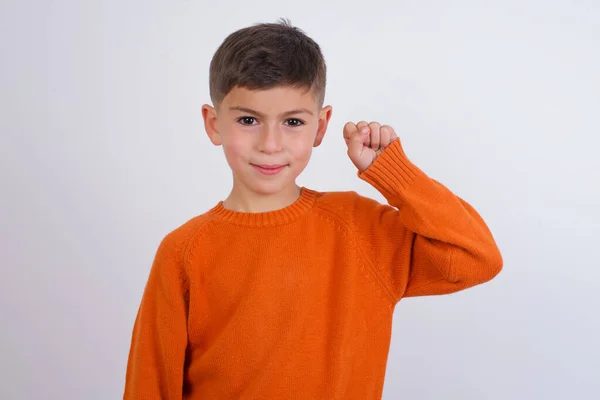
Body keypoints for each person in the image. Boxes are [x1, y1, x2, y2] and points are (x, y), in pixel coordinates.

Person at [123, 18, 502, 399]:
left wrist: (395, 175)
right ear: (213, 123)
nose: (270, 144)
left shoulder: (359, 229)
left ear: (320, 127)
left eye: (292, 122)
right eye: (248, 120)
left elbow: (476, 258)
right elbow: (150, 385)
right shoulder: (183, 251)